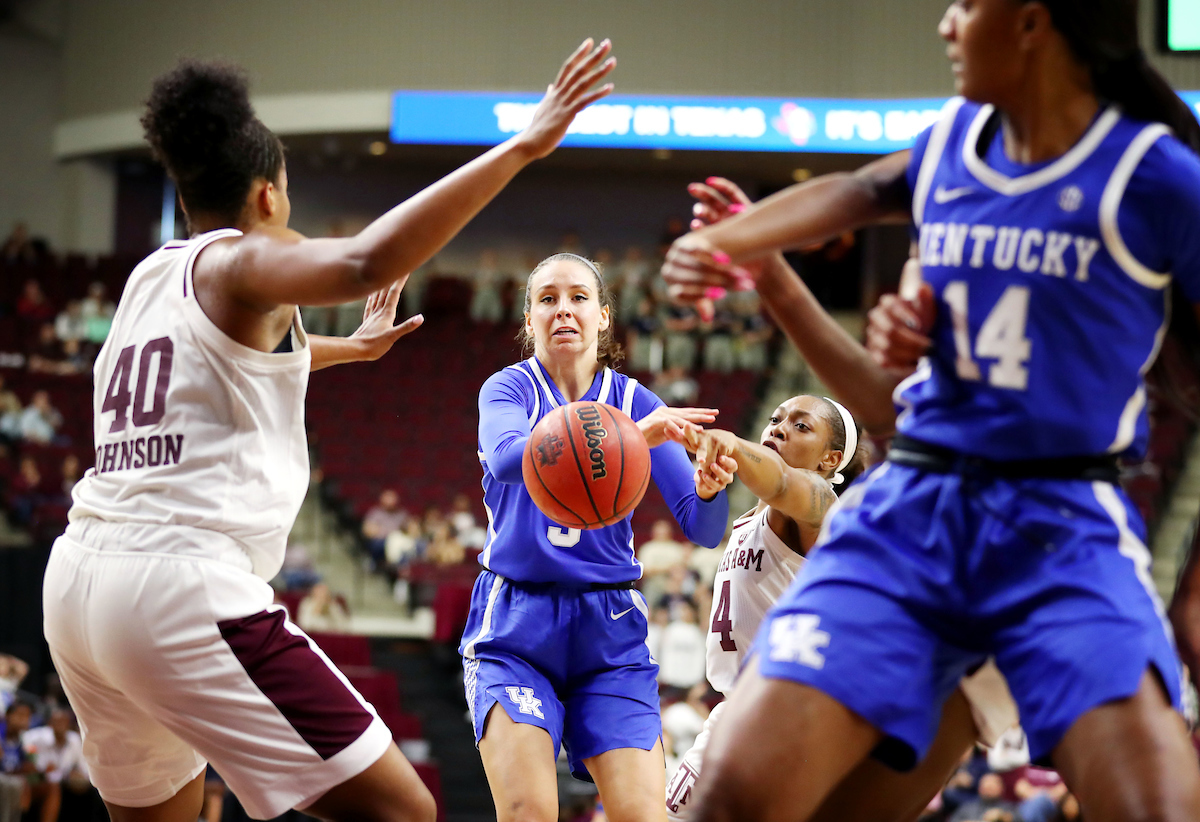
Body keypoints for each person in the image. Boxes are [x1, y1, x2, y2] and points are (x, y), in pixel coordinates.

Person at [42, 40, 617, 822]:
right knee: (404, 811)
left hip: (78, 585)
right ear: (270, 200)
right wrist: (523, 143)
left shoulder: (153, 277)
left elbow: (225, 371)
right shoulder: (242, 262)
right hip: (176, 588)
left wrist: (352, 347)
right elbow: (361, 264)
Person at [661, 2, 1200, 820]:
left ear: (1031, 21)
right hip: (914, 510)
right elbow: (859, 190)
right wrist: (729, 249)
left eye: (964, 5)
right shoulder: (952, 146)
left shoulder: (1153, 177)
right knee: (735, 799)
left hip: (1055, 524)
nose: (945, 25)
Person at [463, 251, 731, 822]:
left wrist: (710, 488)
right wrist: (631, 436)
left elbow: (704, 528)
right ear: (529, 318)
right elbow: (515, 459)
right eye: (548, 299)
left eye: (580, 297)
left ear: (604, 317)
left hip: (608, 629)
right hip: (516, 622)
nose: (564, 310)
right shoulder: (508, 390)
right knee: (530, 813)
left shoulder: (638, 401)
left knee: (643, 815)